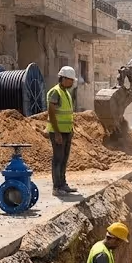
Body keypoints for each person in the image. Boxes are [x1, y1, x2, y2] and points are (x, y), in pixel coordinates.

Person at [47, 66, 78, 196]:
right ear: (64, 78)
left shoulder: (66, 93)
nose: (72, 82)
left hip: (67, 131)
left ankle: (63, 184)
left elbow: (67, 114)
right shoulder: (55, 92)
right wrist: (57, 133)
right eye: (71, 80)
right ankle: (56, 187)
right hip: (57, 132)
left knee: (64, 158)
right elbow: (52, 113)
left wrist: (71, 129)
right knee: (58, 158)